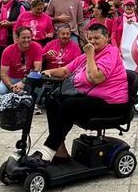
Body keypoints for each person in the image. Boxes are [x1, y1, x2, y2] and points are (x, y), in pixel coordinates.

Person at [40, 23, 129, 164]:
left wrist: (89, 55)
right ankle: (59, 150)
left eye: (97, 38)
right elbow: (65, 70)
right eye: (90, 38)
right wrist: (48, 72)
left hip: (112, 103)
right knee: (53, 100)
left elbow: (96, 78)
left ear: (106, 38)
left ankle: (49, 148)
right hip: (93, 98)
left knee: (70, 105)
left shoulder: (110, 52)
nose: (93, 42)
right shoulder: (89, 54)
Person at [0, 26, 44, 96]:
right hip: (12, 78)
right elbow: (3, 74)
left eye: (29, 37)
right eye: (24, 38)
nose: (27, 40)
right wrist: (11, 86)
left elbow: (37, 69)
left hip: (30, 78)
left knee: (38, 92)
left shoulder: (37, 47)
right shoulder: (8, 51)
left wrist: (24, 81)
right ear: (17, 38)